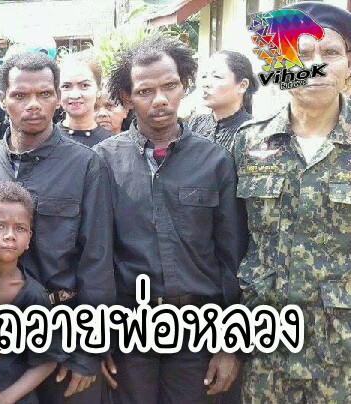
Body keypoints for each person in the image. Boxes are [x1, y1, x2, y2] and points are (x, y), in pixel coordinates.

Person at [93, 33, 246, 404]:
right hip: (128, 331)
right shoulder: (103, 161)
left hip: (199, 330)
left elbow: (233, 256)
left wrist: (232, 344)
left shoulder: (215, 161)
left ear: (184, 86)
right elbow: (95, 255)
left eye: (169, 86)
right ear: (127, 98)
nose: (159, 99)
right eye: (145, 91)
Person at [0, 52, 115, 404]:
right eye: (20, 95)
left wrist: (89, 351)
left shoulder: (85, 165)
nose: (33, 105)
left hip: (67, 334)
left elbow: (97, 261)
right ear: (2, 99)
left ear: (57, 98)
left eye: (44, 94)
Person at [234, 2, 351, 401]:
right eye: (301, 54)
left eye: (330, 52)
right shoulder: (248, 143)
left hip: (342, 356)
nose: (316, 65)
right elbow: (232, 240)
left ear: (348, 65)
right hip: (265, 348)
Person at [0, 181, 64, 404]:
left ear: (29, 239)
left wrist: (4, 399)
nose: (10, 235)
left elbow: (47, 360)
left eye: (20, 228)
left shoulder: (33, 296)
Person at [187, 50, 258, 152]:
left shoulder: (253, 132)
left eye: (217, 76)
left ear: (242, 85)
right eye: (204, 76)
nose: (206, 84)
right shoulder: (195, 123)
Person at [57, 51, 115, 147]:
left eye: (84, 85)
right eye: (66, 86)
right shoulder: (44, 140)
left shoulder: (112, 146)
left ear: (99, 88)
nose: (75, 95)